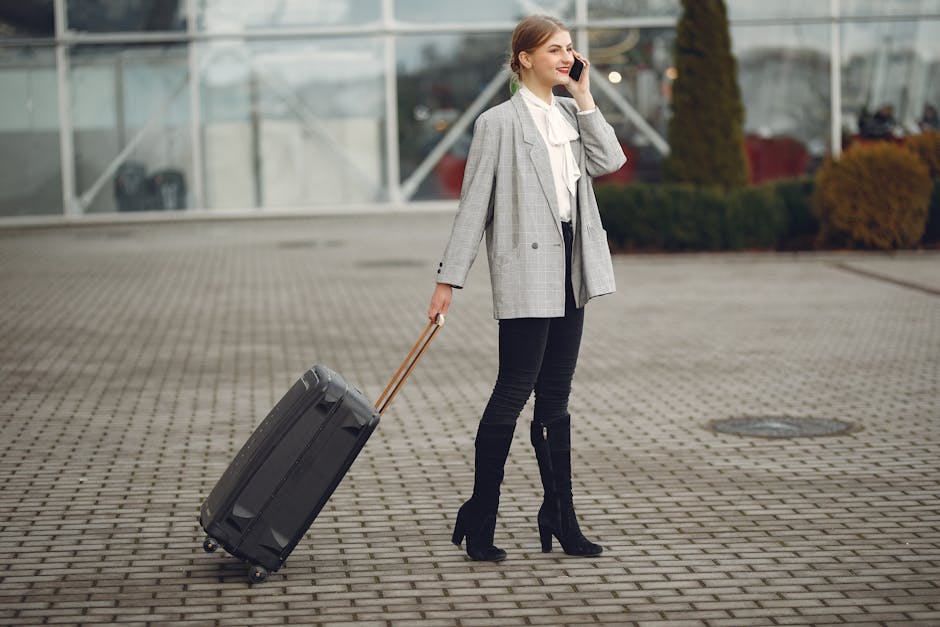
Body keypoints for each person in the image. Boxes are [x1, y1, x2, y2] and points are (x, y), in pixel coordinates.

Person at [427, 14, 626, 562]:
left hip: (573, 267)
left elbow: (610, 160)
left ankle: (559, 514)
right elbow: (474, 208)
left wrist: (585, 97)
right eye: (555, 50)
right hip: (527, 270)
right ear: (524, 59)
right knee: (513, 390)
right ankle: (482, 513)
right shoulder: (498, 123)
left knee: (556, 398)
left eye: (569, 50)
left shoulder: (570, 112)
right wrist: (449, 280)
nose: (566, 58)